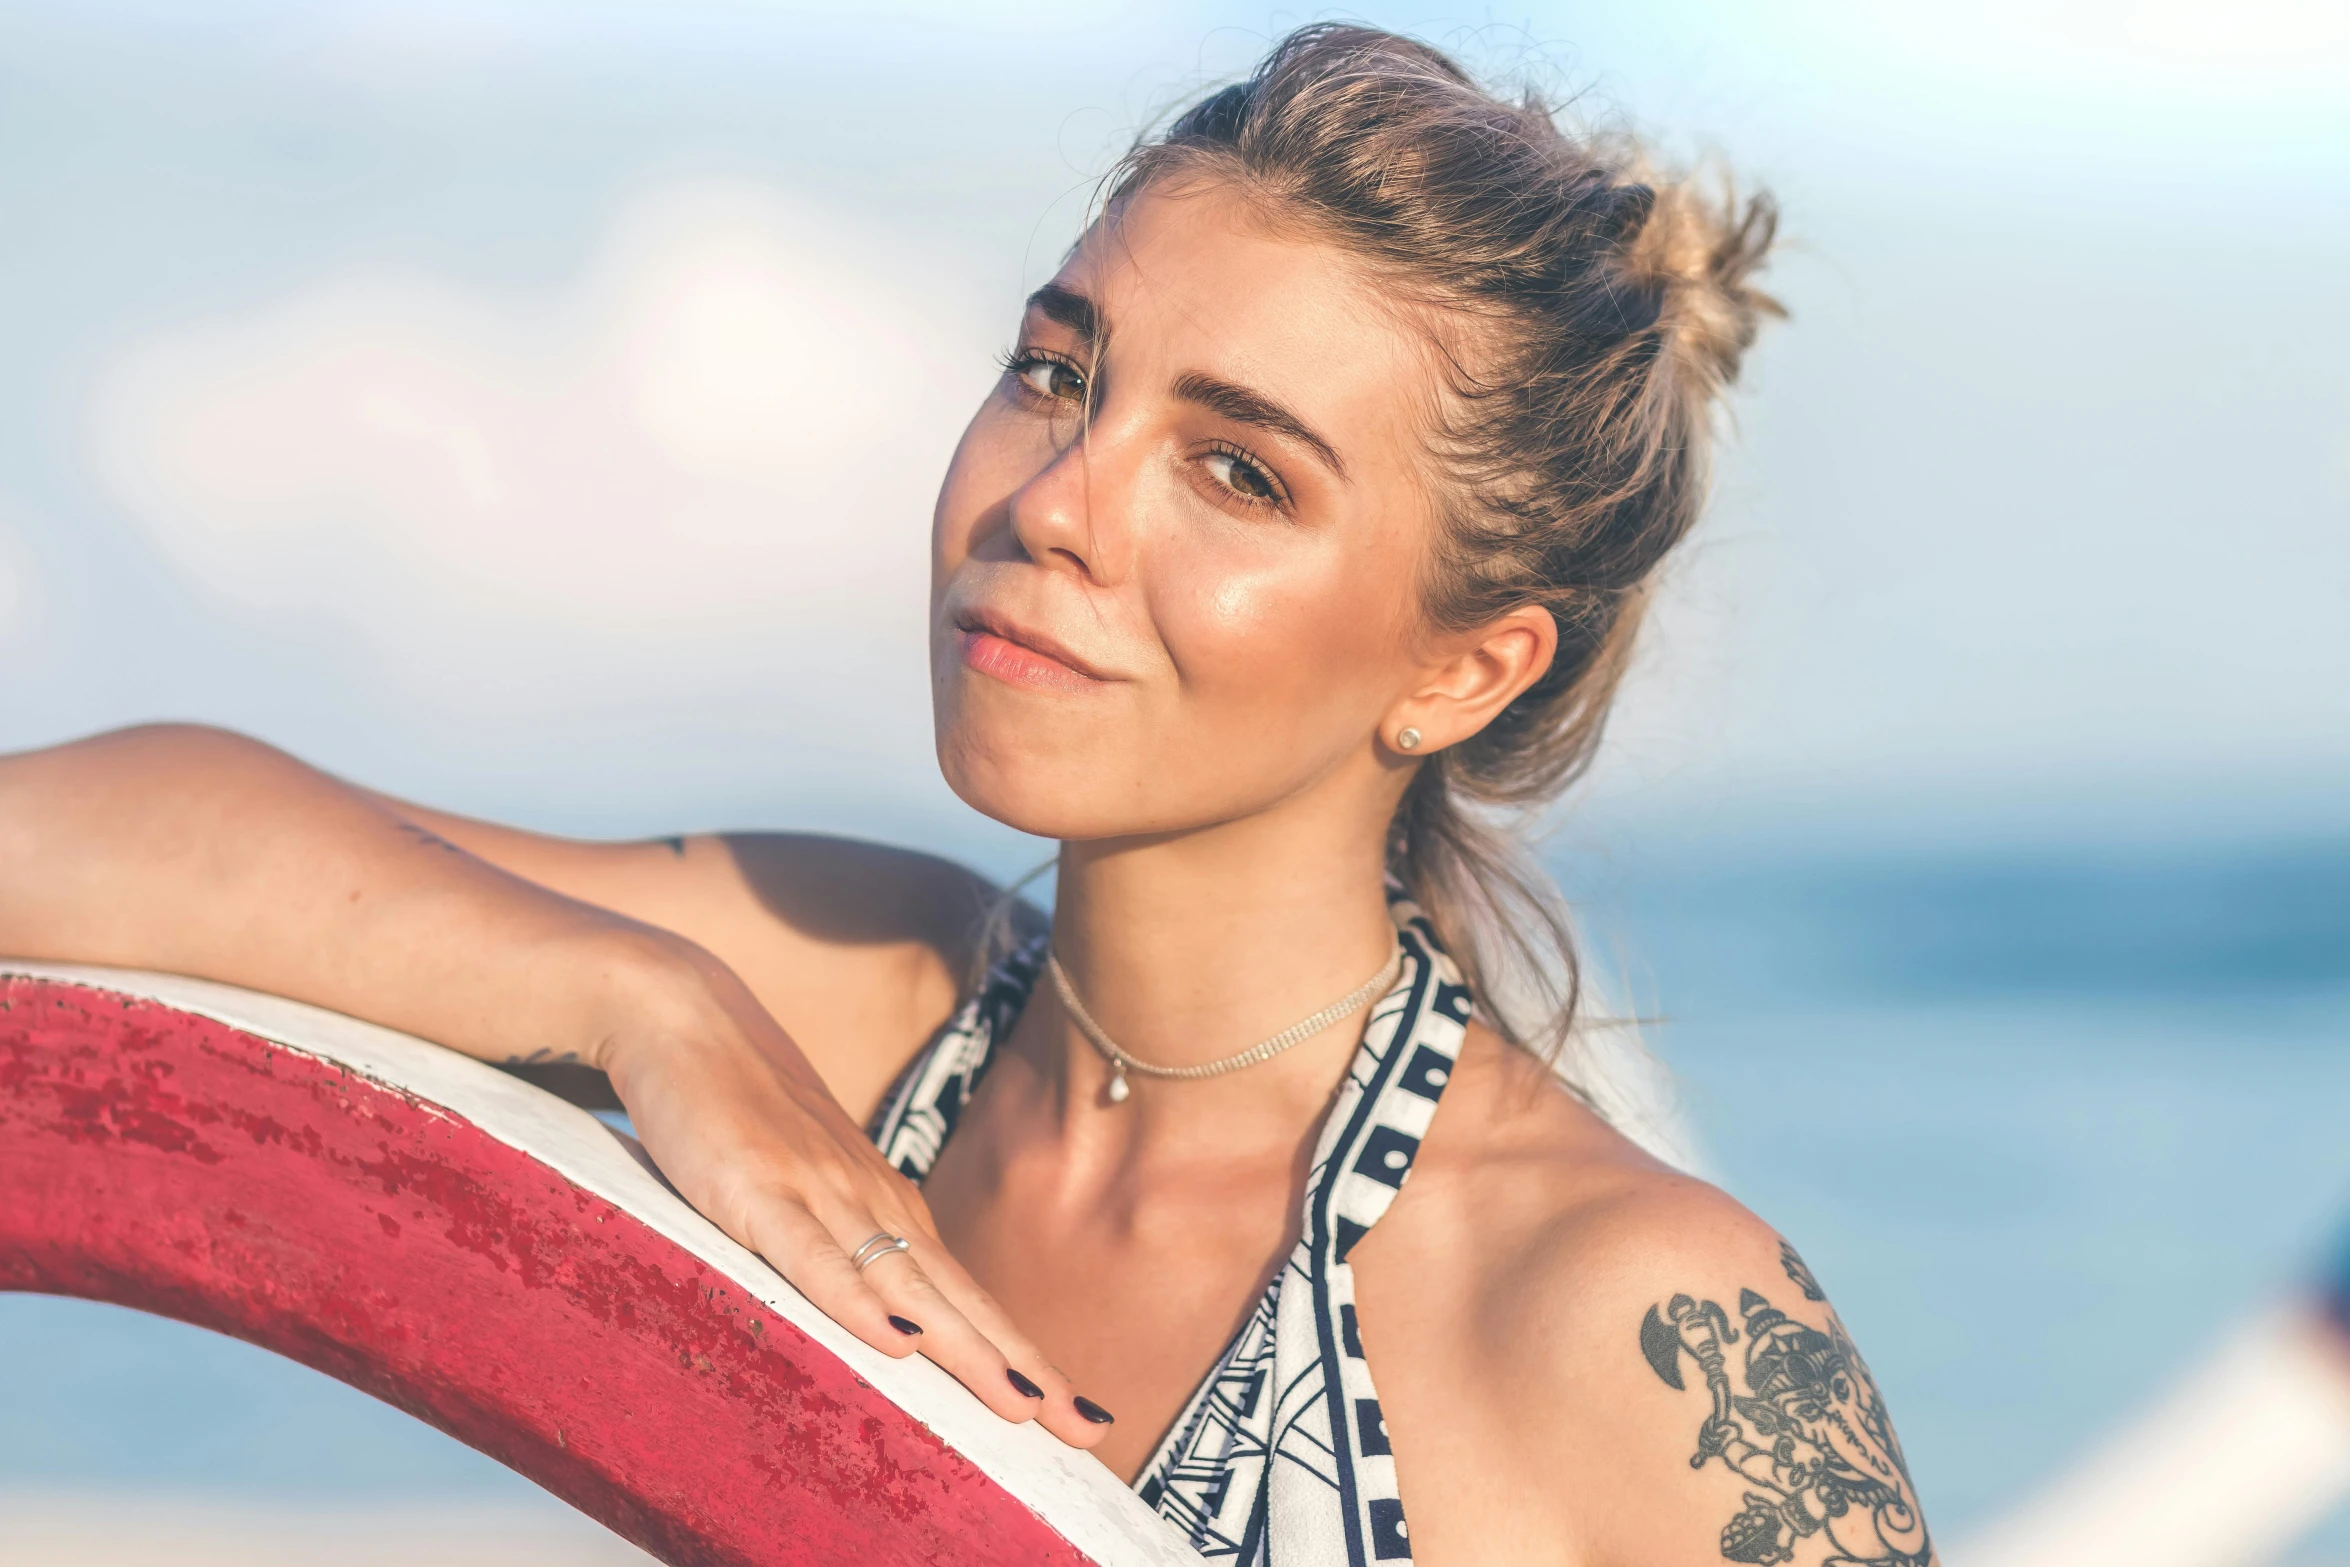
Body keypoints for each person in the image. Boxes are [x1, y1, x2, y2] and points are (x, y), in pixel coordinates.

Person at [0, 25, 1933, 1567]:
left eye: (1239, 471)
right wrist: (631, 999)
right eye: (1053, 370)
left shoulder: (1620, 1318)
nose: (1054, 499)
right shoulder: (862, 1002)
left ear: (1464, 665)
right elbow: (61, 835)